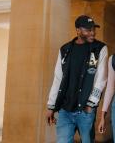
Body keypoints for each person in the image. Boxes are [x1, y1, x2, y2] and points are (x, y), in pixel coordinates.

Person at [46, 15, 108, 143]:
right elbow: (58, 78)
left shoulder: (100, 48)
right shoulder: (65, 49)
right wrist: (51, 106)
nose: (93, 33)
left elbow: (101, 79)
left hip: (85, 110)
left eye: (93, 29)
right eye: (88, 30)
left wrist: (91, 104)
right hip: (65, 110)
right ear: (78, 31)